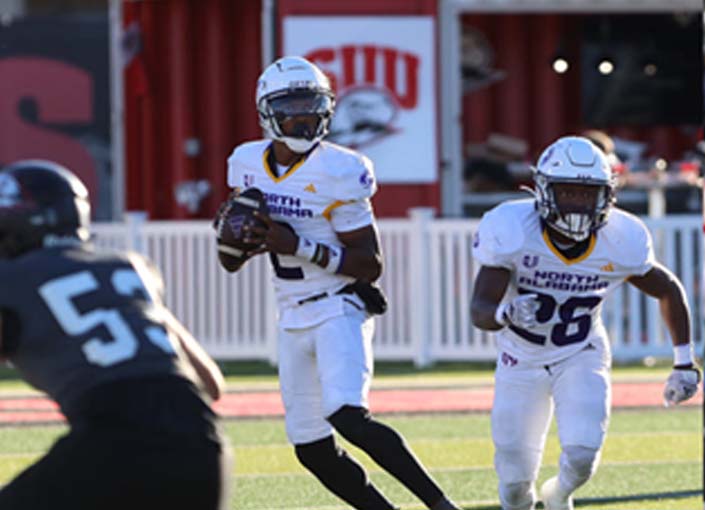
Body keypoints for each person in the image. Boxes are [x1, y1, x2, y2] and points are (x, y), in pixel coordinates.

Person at [217, 55, 461, 510]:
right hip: (291, 312)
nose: (304, 117)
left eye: (312, 105)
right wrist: (237, 238)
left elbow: (370, 264)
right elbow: (232, 257)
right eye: (291, 107)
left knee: (348, 417)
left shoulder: (340, 169)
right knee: (311, 448)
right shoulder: (246, 163)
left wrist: (298, 246)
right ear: (267, 112)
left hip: (338, 304)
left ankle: (443, 507)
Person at [470, 135, 701, 510]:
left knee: (582, 455)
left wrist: (684, 362)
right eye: (567, 192)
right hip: (520, 358)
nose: (577, 203)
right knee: (513, 484)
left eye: (587, 193)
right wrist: (504, 314)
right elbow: (480, 307)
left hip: (581, 352)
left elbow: (668, 289)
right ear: (544, 190)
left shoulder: (621, 238)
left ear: (606, 195)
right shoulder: (512, 228)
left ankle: (559, 495)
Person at [0, 160, 230, 510]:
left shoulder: (14, 280)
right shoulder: (130, 267)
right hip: (204, 451)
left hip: (114, 442)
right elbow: (210, 384)